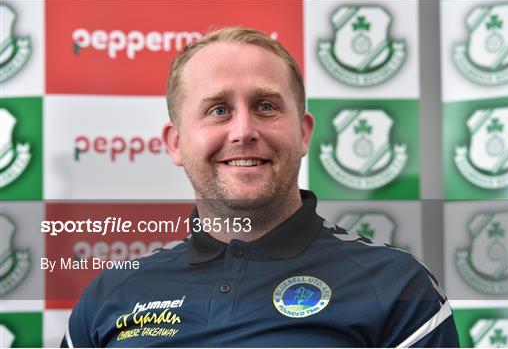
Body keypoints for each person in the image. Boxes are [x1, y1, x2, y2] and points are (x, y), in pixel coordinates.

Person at [62, 27, 459, 347]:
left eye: (266, 106)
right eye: (218, 110)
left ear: (304, 133)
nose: (244, 131)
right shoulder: (111, 293)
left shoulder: (395, 285)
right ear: (176, 143)